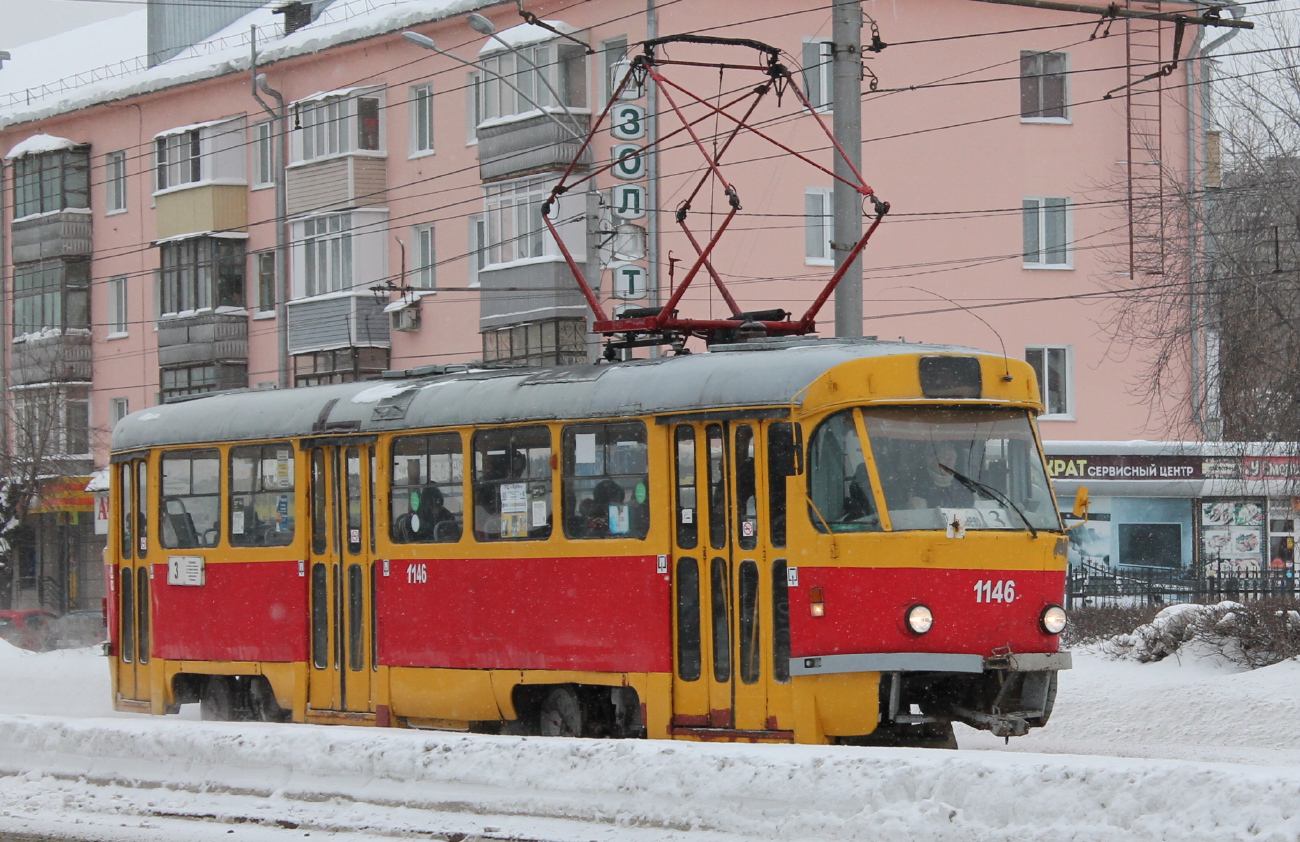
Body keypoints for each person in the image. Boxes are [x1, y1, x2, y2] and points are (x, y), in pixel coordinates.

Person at [908, 444, 973, 509]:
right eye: (945, 459)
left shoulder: (964, 489)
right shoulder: (919, 489)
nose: (949, 463)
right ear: (931, 462)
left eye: (952, 458)